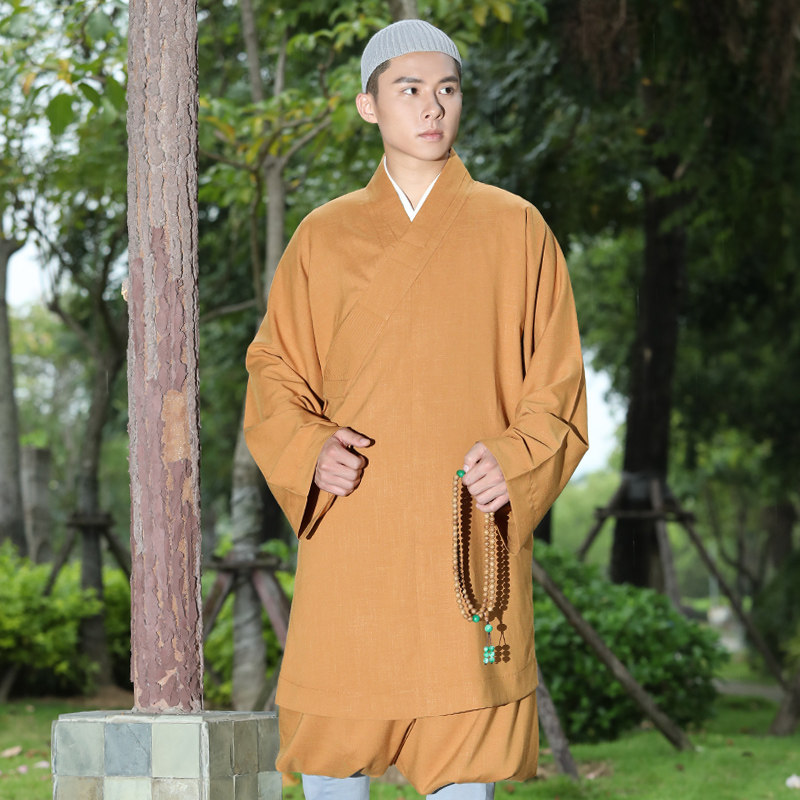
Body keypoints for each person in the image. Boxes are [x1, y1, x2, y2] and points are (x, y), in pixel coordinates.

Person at [244, 19, 588, 800]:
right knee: (335, 743)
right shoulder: (323, 236)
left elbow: (557, 384)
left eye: (447, 89)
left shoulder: (517, 228)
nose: (432, 106)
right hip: (354, 535)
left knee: (465, 751)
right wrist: (309, 449)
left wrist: (518, 459)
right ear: (369, 105)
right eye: (409, 89)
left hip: (465, 529)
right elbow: (274, 368)